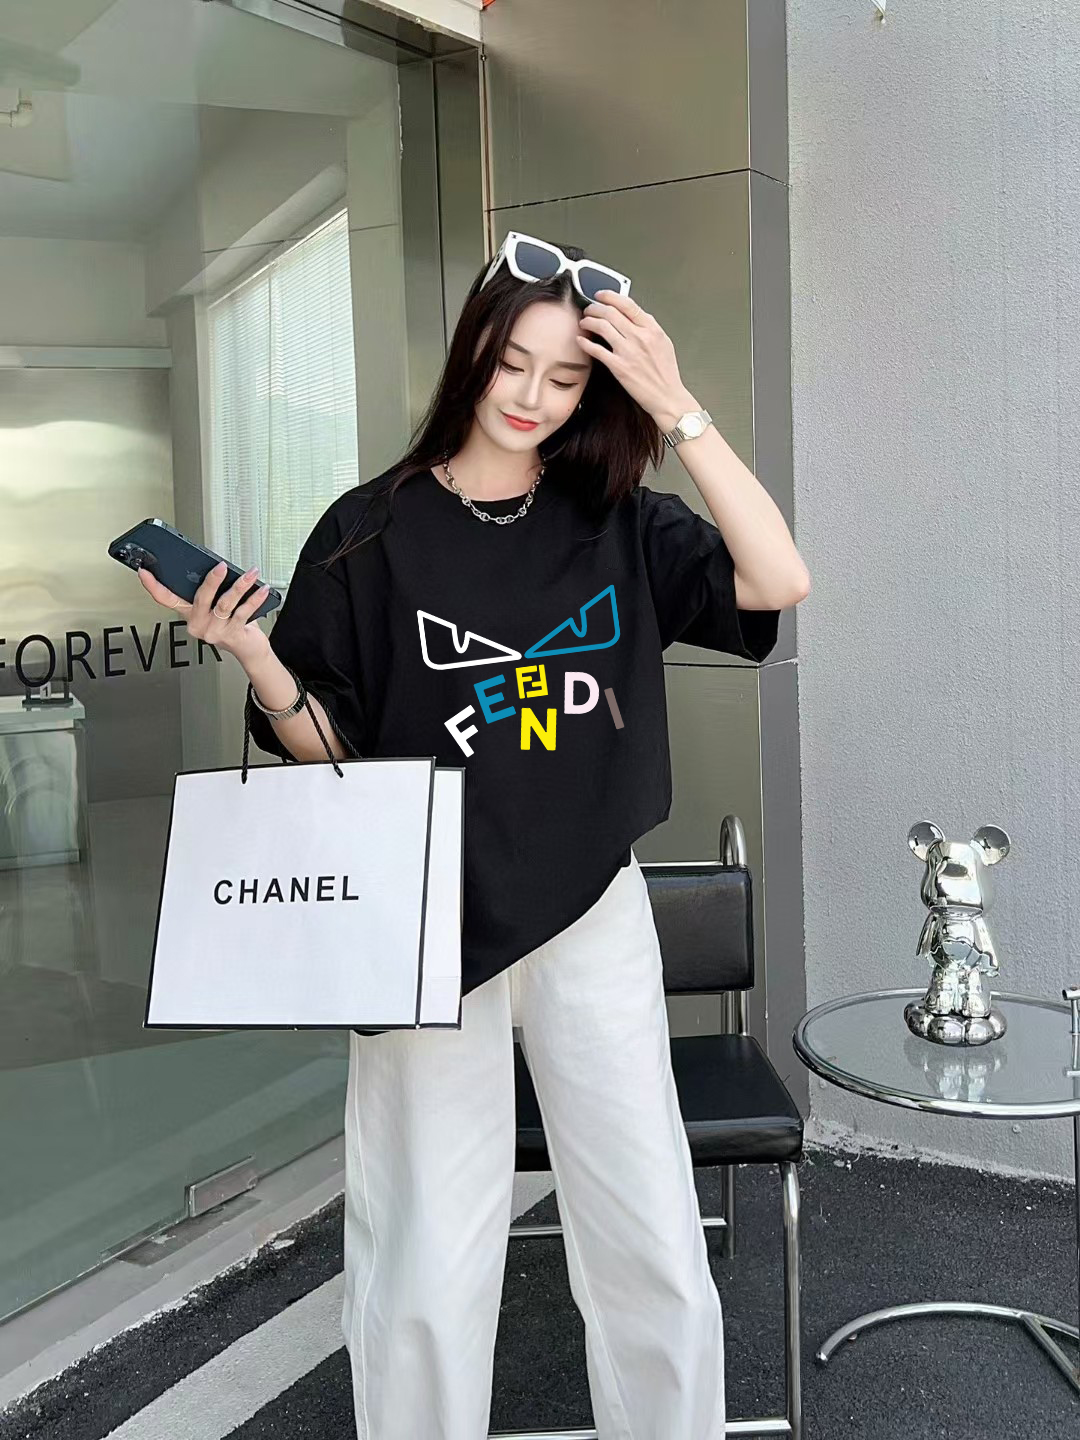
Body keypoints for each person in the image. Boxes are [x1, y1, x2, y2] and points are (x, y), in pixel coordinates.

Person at [139, 230, 810, 1440]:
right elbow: (336, 759)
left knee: (648, 1228)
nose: (533, 396)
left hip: (588, 905)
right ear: (472, 354)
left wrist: (679, 407)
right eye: (513, 364)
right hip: (421, 920)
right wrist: (254, 656)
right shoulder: (368, 532)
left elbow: (778, 581)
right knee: (425, 1248)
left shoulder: (618, 519)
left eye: (568, 377)